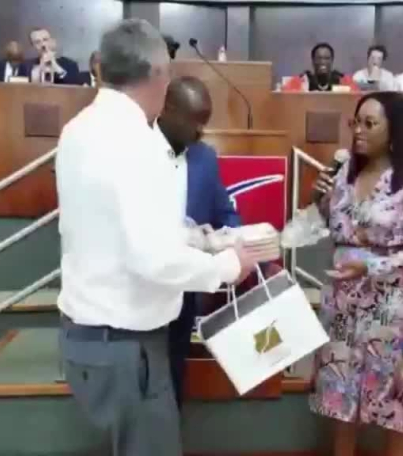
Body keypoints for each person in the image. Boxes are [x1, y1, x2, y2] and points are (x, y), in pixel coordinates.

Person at [55, 19, 257, 456]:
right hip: (127, 346)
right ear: (158, 73)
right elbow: (155, 259)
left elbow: (119, 226)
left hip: (87, 337)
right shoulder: (138, 143)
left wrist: (198, 239)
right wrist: (227, 266)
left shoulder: (79, 129)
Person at [309, 91, 403, 456]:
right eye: (356, 122)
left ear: (394, 130)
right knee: (339, 396)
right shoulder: (342, 176)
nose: (359, 131)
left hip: (386, 305)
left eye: (370, 124)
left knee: (391, 401)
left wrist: (370, 265)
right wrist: (319, 201)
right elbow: (329, 230)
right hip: (341, 302)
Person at [154, 76, 242, 408]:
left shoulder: (204, 156)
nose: (201, 131)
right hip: (142, 292)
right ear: (167, 109)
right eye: (194, 121)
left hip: (185, 291)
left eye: (205, 121)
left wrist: (235, 237)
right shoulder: (137, 151)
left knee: (174, 378)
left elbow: (224, 211)